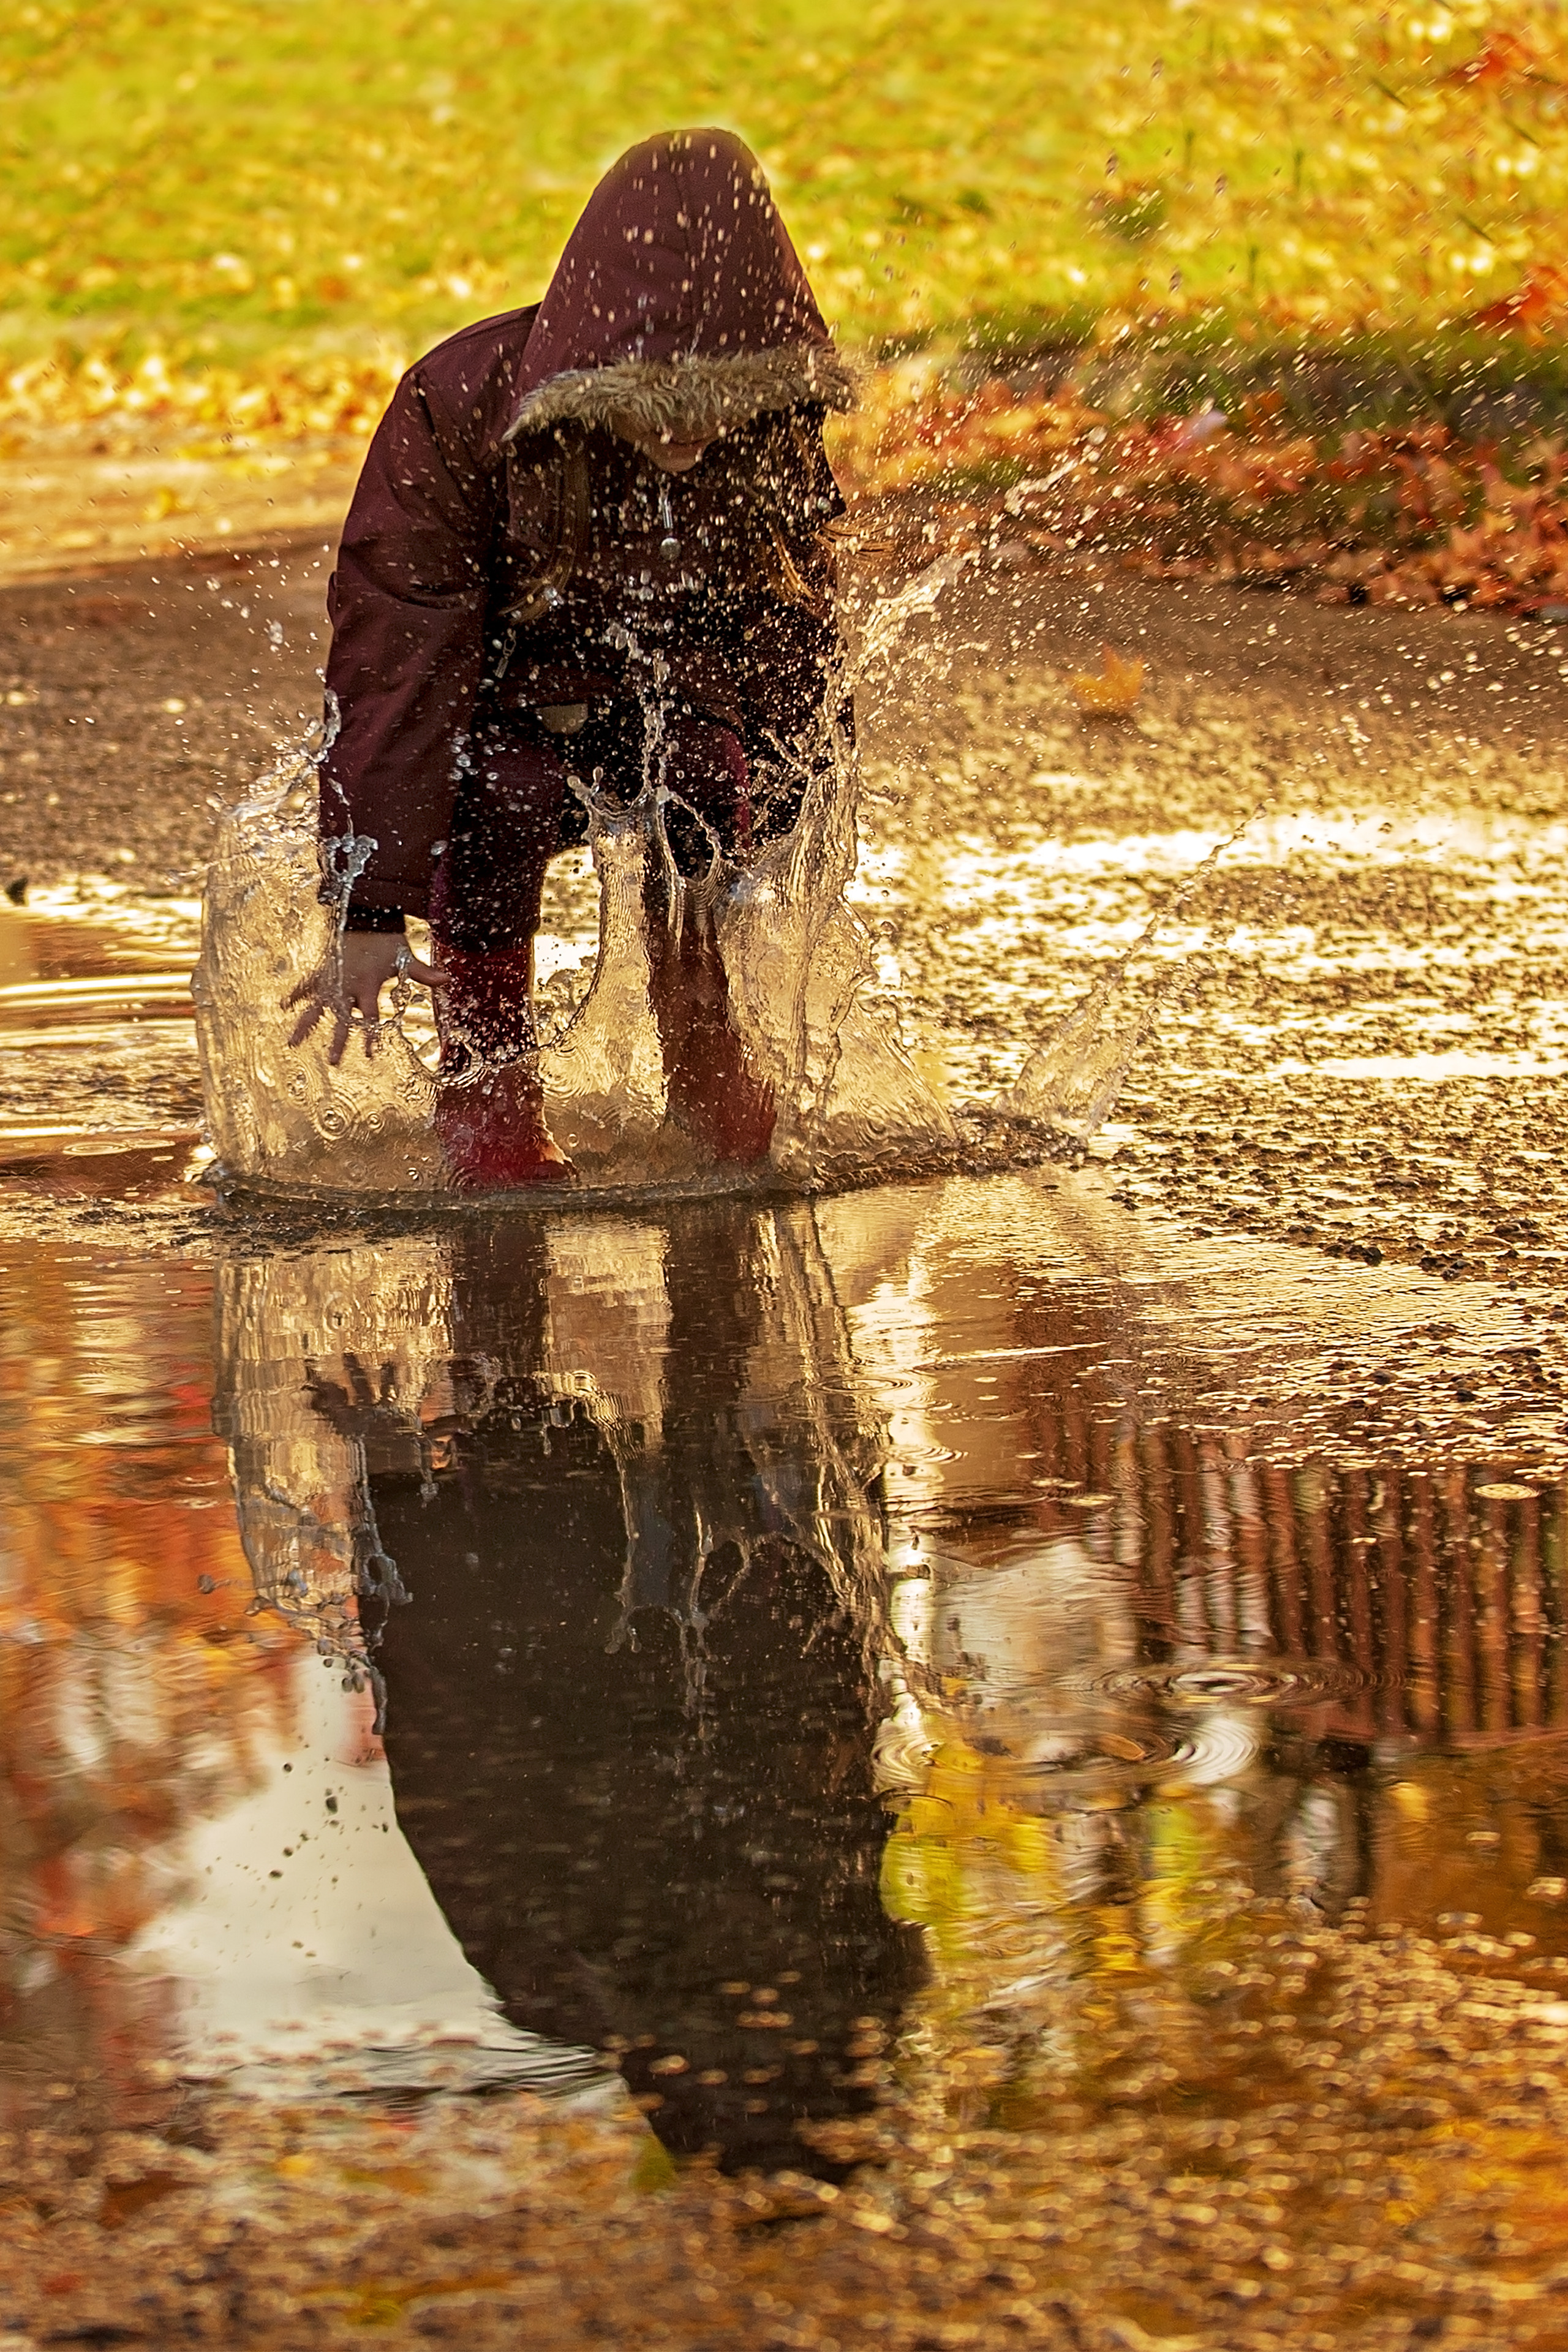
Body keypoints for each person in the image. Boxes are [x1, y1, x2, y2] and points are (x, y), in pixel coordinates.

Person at [288, 127, 856, 1186]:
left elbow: (796, 627)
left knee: (703, 784)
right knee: (496, 803)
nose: (687, 439)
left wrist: (789, 813)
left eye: (714, 411)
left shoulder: (772, 430)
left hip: (667, 712)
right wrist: (368, 904)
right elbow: (398, 652)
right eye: (653, 410)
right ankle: (488, 1090)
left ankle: (707, 1051)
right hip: (503, 720)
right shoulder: (459, 403)